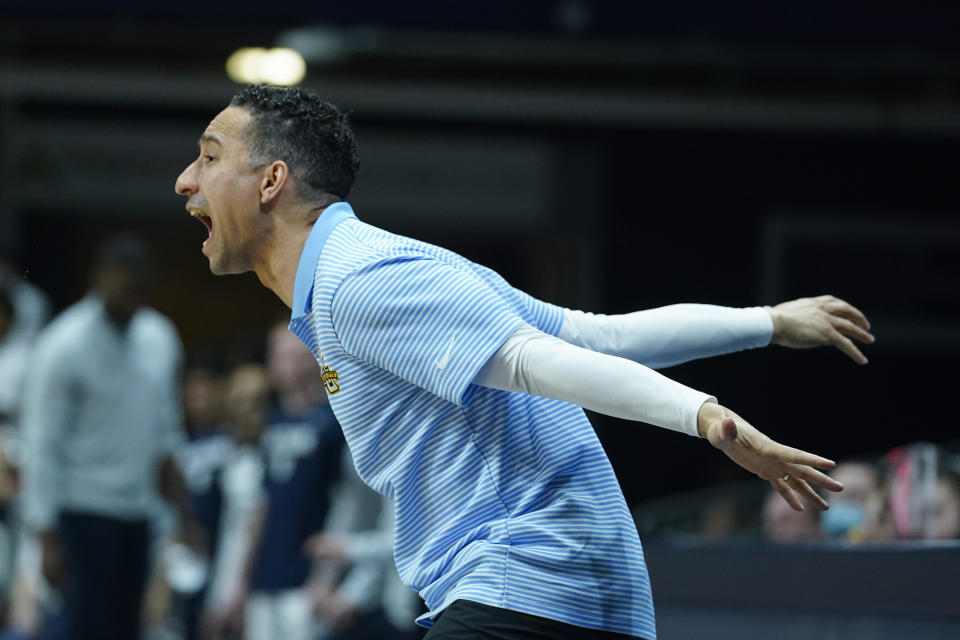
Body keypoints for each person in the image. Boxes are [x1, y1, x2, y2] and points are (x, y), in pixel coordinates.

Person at [175, 85, 872, 639]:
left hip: (528, 577)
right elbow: (599, 335)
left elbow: (538, 361)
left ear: (271, 181)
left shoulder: (362, 280)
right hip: (568, 588)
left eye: (208, 157)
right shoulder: (369, 274)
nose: (185, 181)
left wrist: (706, 417)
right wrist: (768, 323)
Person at [19, 233, 190, 640]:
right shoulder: (63, 344)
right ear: (98, 279)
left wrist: (185, 514)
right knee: (87, 627)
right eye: (124, 282)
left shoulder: (159, 338)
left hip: (138, 512)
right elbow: (42, 444)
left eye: (140, 284)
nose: (133, 292)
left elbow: (167, 435)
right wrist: (43, 535)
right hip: (81, 512)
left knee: (128, 627)